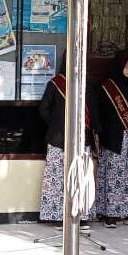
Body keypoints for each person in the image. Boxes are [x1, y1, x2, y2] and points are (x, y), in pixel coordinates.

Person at [37, 51, 97, 227]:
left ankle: (81, 216)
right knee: (58, 178)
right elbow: (43, 109)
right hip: (58, 140)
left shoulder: (88, 85)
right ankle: (58, 216)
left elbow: (93, 112)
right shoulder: (55, 84)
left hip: (82, 140)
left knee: (81, 177)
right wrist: (58, 125)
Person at [95, 52, 128, 228]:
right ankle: (109, 214)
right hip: (113, 139)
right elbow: (100, 113)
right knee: (113, 176)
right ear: (119, 66)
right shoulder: (107, 87)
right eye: (127, 66)